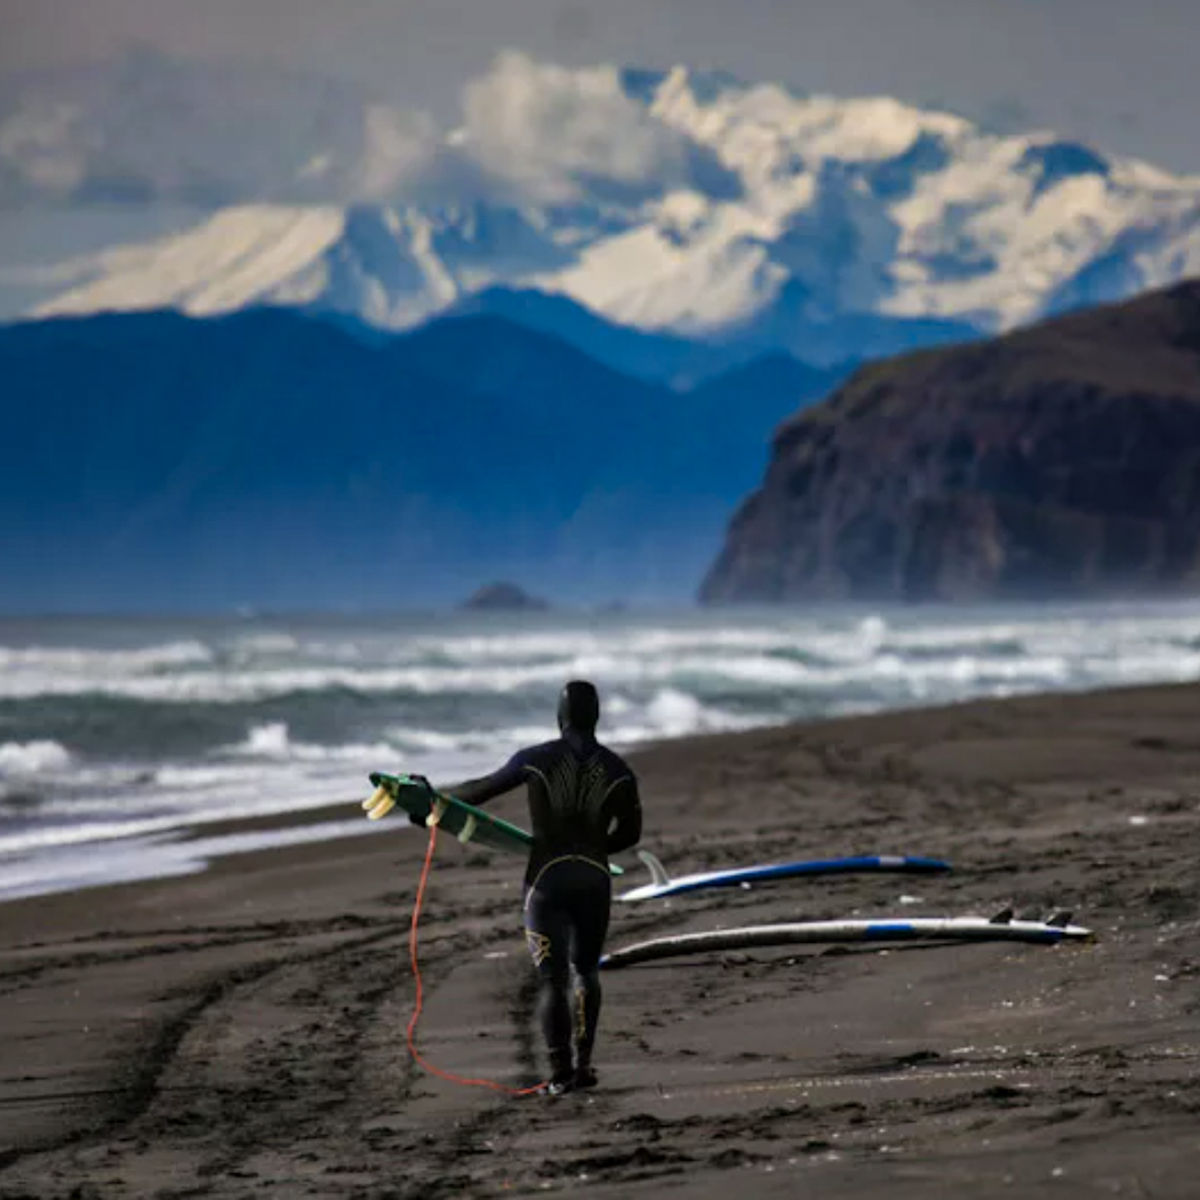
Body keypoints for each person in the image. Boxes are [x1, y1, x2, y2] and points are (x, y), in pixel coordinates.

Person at [425, 680, 642, 1095]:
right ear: (596, 716)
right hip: (594, 879)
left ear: (559, 716)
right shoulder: (619, 770)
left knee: (552, 980)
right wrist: (593, 851)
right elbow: (631, 834)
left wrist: (430, 800)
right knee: (586, 973)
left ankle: (559, 1074)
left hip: (547, 879)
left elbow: (477, 795)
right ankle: (584, 1067)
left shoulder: (536, 759)